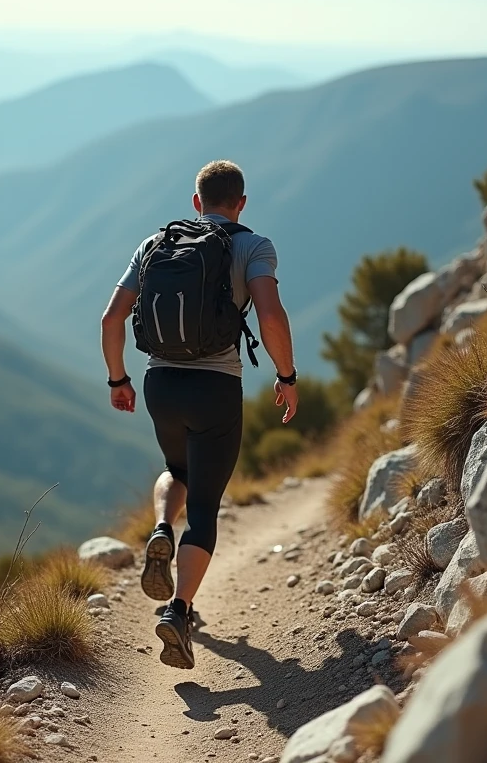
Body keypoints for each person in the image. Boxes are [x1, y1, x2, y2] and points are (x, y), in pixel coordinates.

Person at [100, 160, 298, 669]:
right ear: (242, 203)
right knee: (206, 507)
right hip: (215, 386)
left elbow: (112, 317)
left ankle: (162, 528)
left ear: (196, 202)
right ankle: (178, 610)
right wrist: (287, 375)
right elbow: (270, 314)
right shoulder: (253, 246)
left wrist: (118, 379)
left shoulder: (155, 244)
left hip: (159, 381)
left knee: (177, 469)